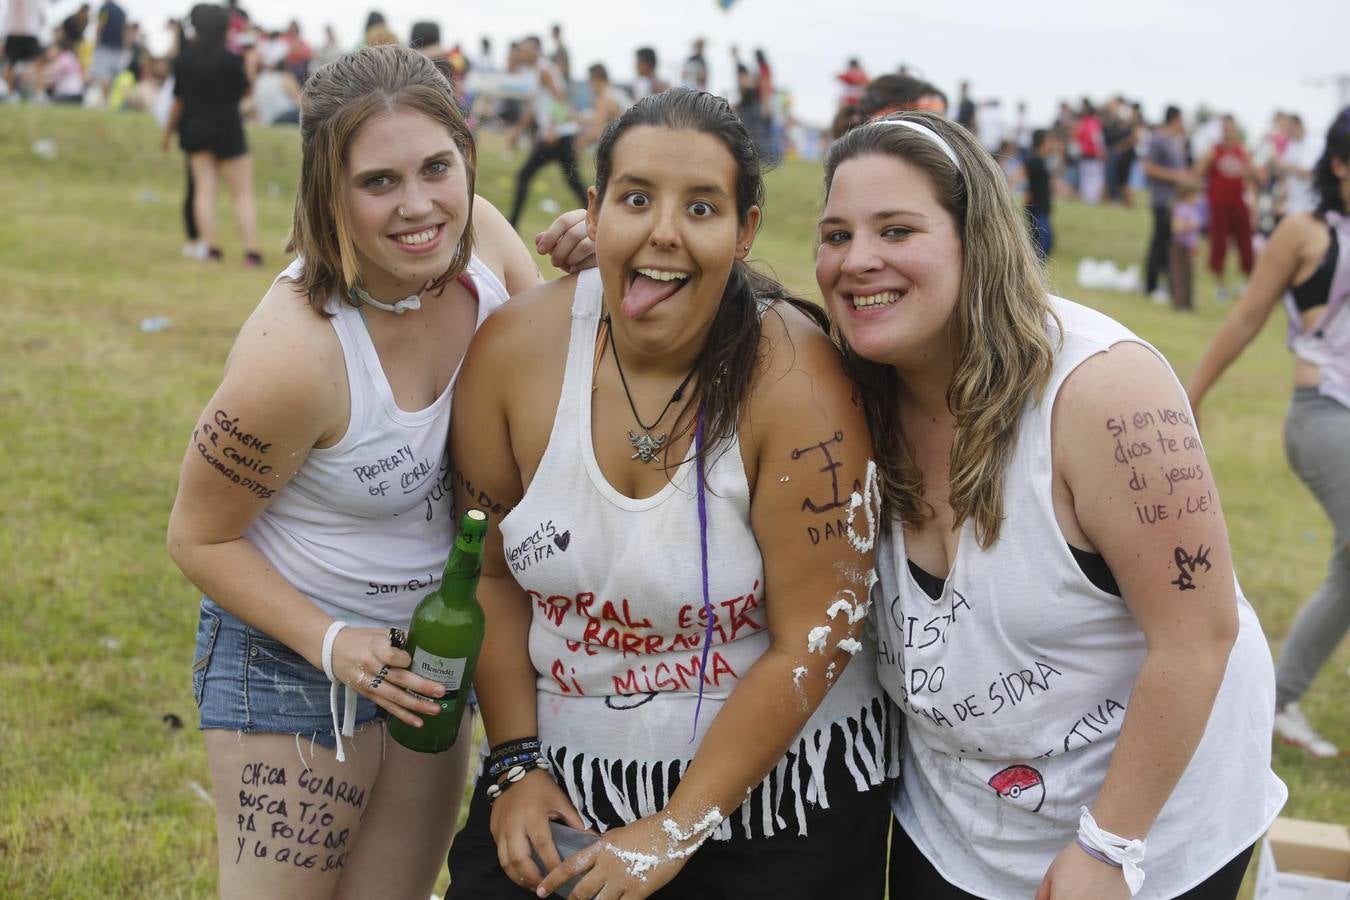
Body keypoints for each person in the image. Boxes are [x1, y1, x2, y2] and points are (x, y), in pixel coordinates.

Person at [818, 112, 1285, 899]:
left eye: (896, 230)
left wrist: (1111, 848)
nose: (858, 261)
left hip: (1151, 832)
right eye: (835, 235)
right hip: (958, 825)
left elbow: (1198, 636)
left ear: (978, 238)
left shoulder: (1101, 393)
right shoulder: (842, 383)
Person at [445, 88, 893, 899]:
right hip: (566, 766)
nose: (664, 233)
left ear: (744, 231)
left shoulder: (796, 377)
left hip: (778, 797)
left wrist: (673, 830)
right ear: (596, 209)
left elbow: (817, 636)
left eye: (701, 207)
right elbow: (490, 574)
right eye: (636, 199)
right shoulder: (512, 353)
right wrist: (513, 764)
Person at [167, 44, 590, 899]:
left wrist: (598, 274)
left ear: (468, 157)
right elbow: (198, 535)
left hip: (435, 665)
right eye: (379, 182)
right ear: (329, 190)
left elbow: (559, 391)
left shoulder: (488, 256)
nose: (420, 207)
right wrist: (335, 645)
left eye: (437, 168)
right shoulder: (298, 355)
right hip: (293, 664)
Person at [1187, 107, 1350, 760]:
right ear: (1339, 164)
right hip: (1324, 413)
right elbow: (1248, 316)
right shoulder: (1305, 231)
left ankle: (1277, 700)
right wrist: (1187, 396)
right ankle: (1269, 700)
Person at [160, 3, 261, 267]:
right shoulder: (231, 60)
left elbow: (178, 102)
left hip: (195, 130)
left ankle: (211, 249)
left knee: (204, 191)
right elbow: (246, 92)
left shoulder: (184, 61)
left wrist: (167, 134)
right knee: (242, 194)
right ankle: (251, 251)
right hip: (228, 128)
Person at [505, 36, 586, 229]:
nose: (522, 52)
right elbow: (534, 108)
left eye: (525, 49)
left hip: (559, 135)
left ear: (536, 51)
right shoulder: (534, 71)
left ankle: (513, 224)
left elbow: (560, 98)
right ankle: (597, 215)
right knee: (573, 182)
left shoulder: (543, 69)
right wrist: (517, 132)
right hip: (559, 135)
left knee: (525, 175)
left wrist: (552, 128)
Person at [1200, 115, 1257, 301]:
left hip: (1237, 203)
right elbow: (1200, 172)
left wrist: (1252, 196)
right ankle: (1220, 285)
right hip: (1219, 203)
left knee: (1245, 243)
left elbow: (1253, 176)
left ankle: (1248, 283)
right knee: (1219, 244)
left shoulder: (1242, 152)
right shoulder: (1214, 151)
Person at [1143, 105, 1191, 302]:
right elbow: (1148, 167)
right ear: (1175, 119)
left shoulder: (1176, 141)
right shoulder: (1158, 139)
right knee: (1159, 241)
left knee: (1169, 243)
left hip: (1175, 201)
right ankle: (1151, 284)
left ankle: (1165, 283)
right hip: (1162, 199)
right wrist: (1175, 176)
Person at [1170, 180, 1203, 311]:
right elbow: (1177, 228)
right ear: (1188, 195)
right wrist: (1191, 226)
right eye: (1195, 196)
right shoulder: (1181, 209)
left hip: (1189, 246)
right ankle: (1179, 302)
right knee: (1180, 274)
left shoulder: (1192, 209)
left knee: (1189, 274)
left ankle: (1188, 302)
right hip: (1180, 246)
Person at [1025, 128, 1056, 258]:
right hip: (1036, 207)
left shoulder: (1043, 160)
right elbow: (1020, 175)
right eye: (1048, 140)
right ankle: (1034, 269)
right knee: (1043, 240)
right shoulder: (1033, 160)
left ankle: (1038, 270)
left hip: (1043, 206)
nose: (1051, 143)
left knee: (1047, 241)